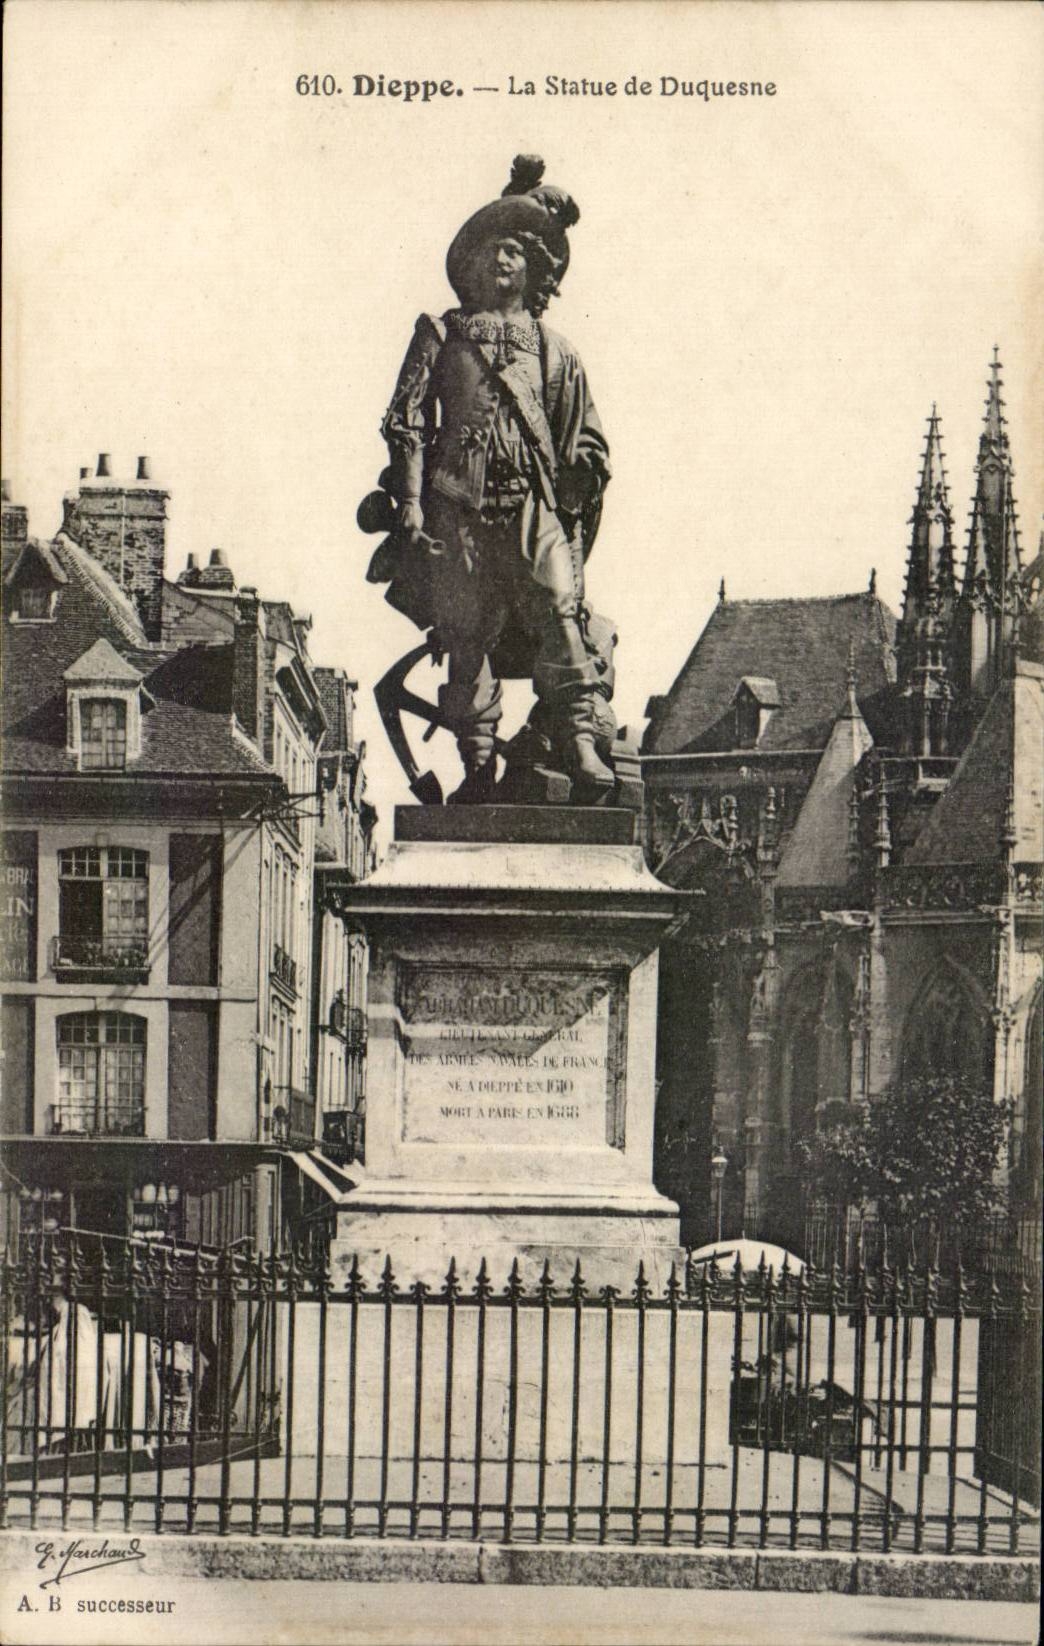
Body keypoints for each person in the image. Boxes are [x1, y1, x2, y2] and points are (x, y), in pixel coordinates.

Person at [376, 155, 615, 803]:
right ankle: (477, 764)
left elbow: (584, 433)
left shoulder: (555, 348)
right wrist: (411, 505)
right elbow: (406, 422)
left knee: (561, 611)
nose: (501, 261)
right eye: (489, 250)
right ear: (470, 266)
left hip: (532, 504)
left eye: (514, 251)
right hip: (460, 508)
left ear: (533, 268)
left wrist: (581, 474)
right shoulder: (440, 334)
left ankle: (582, 741)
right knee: (467, 635)